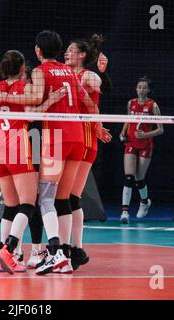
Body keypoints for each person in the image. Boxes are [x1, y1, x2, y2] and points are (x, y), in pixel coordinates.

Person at [0, 30, 83, 275]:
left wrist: (1, 96)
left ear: (38, 51)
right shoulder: (70, 71)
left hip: (57, 138)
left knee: (46, 199)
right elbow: (85, 101)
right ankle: (66, 258)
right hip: (78, 136)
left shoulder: (40, 72)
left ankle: (52, 252)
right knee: (64, 200)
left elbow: (34, 98)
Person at [62, 35, 112, 272]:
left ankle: (73, 249)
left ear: (82, 55)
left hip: (84, 141)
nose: (66, 53)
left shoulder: (87, 76)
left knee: (69, 198)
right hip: (69, 140)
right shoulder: (65, 75)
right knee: (67, 198)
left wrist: (103, 72)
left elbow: (103, 91)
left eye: (71, 50)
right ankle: (74, 250)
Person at [119, 77, 164, 224]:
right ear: (136, 88)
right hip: (131, 143)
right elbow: (128, 120)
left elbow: (160, 129)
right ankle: (124, 212)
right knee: (128, 177)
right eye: (139, 87)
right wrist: (123, 133)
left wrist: (145, 135)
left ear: (149, 90)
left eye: (145, 87)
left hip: (146, 145)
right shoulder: (131, 103)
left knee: (139, 179)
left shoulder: (153, 106)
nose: (142, 90)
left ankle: (144, 202)